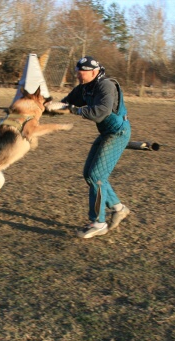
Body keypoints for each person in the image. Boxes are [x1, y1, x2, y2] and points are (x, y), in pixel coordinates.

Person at [47, 56, 131, 239]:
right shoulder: (84, 88)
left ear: (94, 72)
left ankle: (98, 223)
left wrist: (71, 109)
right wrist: (45, 108)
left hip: (118, 133)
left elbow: (100, 113)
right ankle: (119, 208)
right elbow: (67, 103)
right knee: (89, 174)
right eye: (77, 71)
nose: (78, 74)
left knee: (96, 177)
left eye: (81, 72)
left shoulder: (105, 85)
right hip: (106, 133)